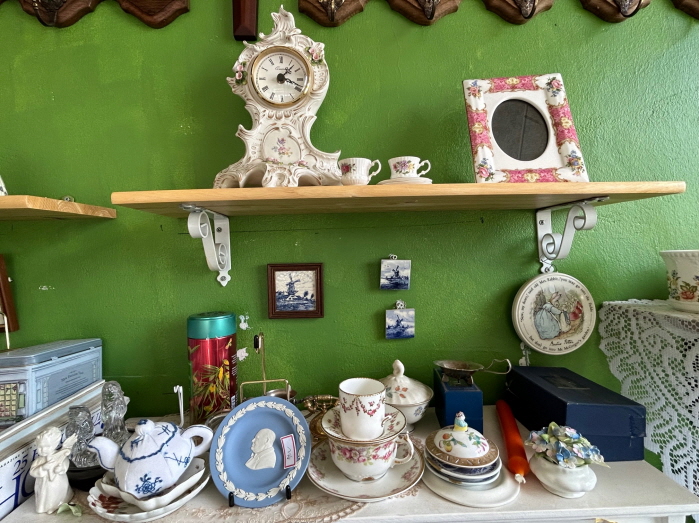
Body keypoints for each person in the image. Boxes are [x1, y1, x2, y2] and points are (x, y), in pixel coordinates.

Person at [29, 428, 77, 514]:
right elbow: (32, 472)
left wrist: (60, 469)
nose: (43, 450)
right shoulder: (39, 460)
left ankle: (56, 505)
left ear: (54, 445)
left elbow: (65, 463)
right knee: (45, 495)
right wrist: (43, 467)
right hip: (44, 484)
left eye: (47, 447)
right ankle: (46, 507)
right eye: (40, 447)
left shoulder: (59, 455)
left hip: (58, 482)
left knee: (56, 493)